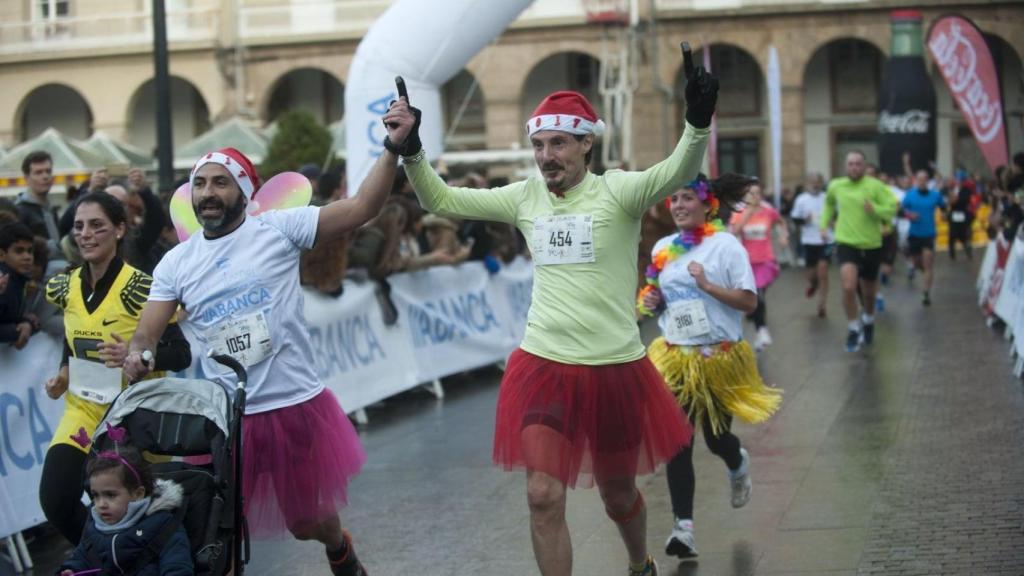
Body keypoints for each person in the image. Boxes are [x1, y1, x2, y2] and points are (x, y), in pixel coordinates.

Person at [377, 44, 719, 575]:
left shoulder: (620, 193)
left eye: (558, 143)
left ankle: (639, 562)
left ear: (587, 144)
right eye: (538, 145)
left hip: (614, 369)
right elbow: (442, 201)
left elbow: (678, 172)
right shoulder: (524, 198)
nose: (546, 156)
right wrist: (414, 150)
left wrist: (696, 123)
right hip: (544, 365)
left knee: (617, 494)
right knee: (541, 495)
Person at [123, 147, 392, 576]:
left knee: (307, 525)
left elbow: (363, 207)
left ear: (245, 191)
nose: (208, 193)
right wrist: (138, 354)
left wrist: (394, 150)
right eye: (200, 183)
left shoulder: (278, 230)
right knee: (215, 527)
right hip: (226, 416)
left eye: (220, 182)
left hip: (292, 405)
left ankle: (339, 548)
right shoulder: (176, 262)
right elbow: (146, 333)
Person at [637, 174, 781, 560]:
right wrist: (652, 302)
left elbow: (750, 303)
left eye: (687, 198)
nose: (679, 205)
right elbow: (659, 297)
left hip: (716, 358)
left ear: (707, 205)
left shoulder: (725, 247)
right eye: (674, 200)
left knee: (717, 438)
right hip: (675, 357)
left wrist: (710, 287)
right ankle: (683, 528)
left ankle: (737, 462)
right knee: (677, 442)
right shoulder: (663, 248)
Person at [39, 192, 192, 546]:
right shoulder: (66, 285)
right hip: (84, 411)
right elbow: (72, 335)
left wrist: (139, 355)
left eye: (97, 226)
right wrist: (64, 370)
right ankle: (104, 558)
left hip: (134, 416)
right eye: (79, 227)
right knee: (57, 500)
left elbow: (181, 353)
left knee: (140, 513)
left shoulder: (141, 288)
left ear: (120, 230)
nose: (86, 234)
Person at [59, 438, 192, 575]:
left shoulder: (162, 525)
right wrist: (71, 571)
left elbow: (177, 568)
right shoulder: (95, 529)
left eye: (110, 495)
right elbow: (81, 559)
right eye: (96, 495)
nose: (100, 504)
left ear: (138, 493)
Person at [821, 151, 898, 352]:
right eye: (851, 164)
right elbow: (828, 204)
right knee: (848, 286)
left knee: (869, 294)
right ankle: (854, 328)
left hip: (871, 244)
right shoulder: (836, 185)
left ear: (864, 166)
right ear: (845, 166)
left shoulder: (875, 186)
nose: (854, 167)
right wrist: (823, 225)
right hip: (846, 242)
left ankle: (869, 319)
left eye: (858, 164)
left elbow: (892, 208)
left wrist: (876, 211)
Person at [729, 182, 787, 351]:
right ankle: (761, 331)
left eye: (757, 193)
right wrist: (747, 213)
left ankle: (757, 319)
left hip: (766, 260)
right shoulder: (739, 212)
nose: (755, 197)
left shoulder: (768, 211)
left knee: (758, 295)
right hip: (747, 263)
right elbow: (735, 232)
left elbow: (781, 223)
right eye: (751, 194)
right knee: (758, 295)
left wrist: (783, 236)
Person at [900, 169, 945, 306]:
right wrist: (909, 215)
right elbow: (900, 211)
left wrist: (944, 214)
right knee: (916, 263)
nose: (922, 182)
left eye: (924, 179)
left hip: (929, 234)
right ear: (916, 181)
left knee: (928, 263)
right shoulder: (910, 195)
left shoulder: (935, 195)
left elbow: (944, 207)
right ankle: (923, 271)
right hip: (914, 234)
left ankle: (926, 293)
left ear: (928, 181)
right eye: (919, 179)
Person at [790, 173, 832, 317]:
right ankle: (813, 284)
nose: (815, 184)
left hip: (826, 240)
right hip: (808, 241)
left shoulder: (827, 198)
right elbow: (795, 219)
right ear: (807, 183)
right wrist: (804, 220)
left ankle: (822, 304)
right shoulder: (801, 199)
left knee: (823, 271)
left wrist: (833, 222)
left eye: (818, 182)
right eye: (812, 182)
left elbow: (837, 214)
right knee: (811, 275)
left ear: (821, 183)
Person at [14, 150, 62, 260]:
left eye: (48, 171)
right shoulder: (20, 211)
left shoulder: (51, 210)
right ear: (27, 178)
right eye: (38, 172)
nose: (45, 176)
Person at [0, 222, 37, 349]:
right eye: (19, 251)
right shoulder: (4, 281)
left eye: (30, 251)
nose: (27, 257)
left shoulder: (18, 280)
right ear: (2, 255)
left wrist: (26, 322)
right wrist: (17, 332)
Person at [947, 174, 976, 261]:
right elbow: (950, 202)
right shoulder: (952, 189)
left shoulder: (966, 190)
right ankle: (952, 254)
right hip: (954, 214)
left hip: (962, 214)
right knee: (952, 235)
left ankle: (968, 252)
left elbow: (963, 201)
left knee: (962, 235)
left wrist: (955, 198)